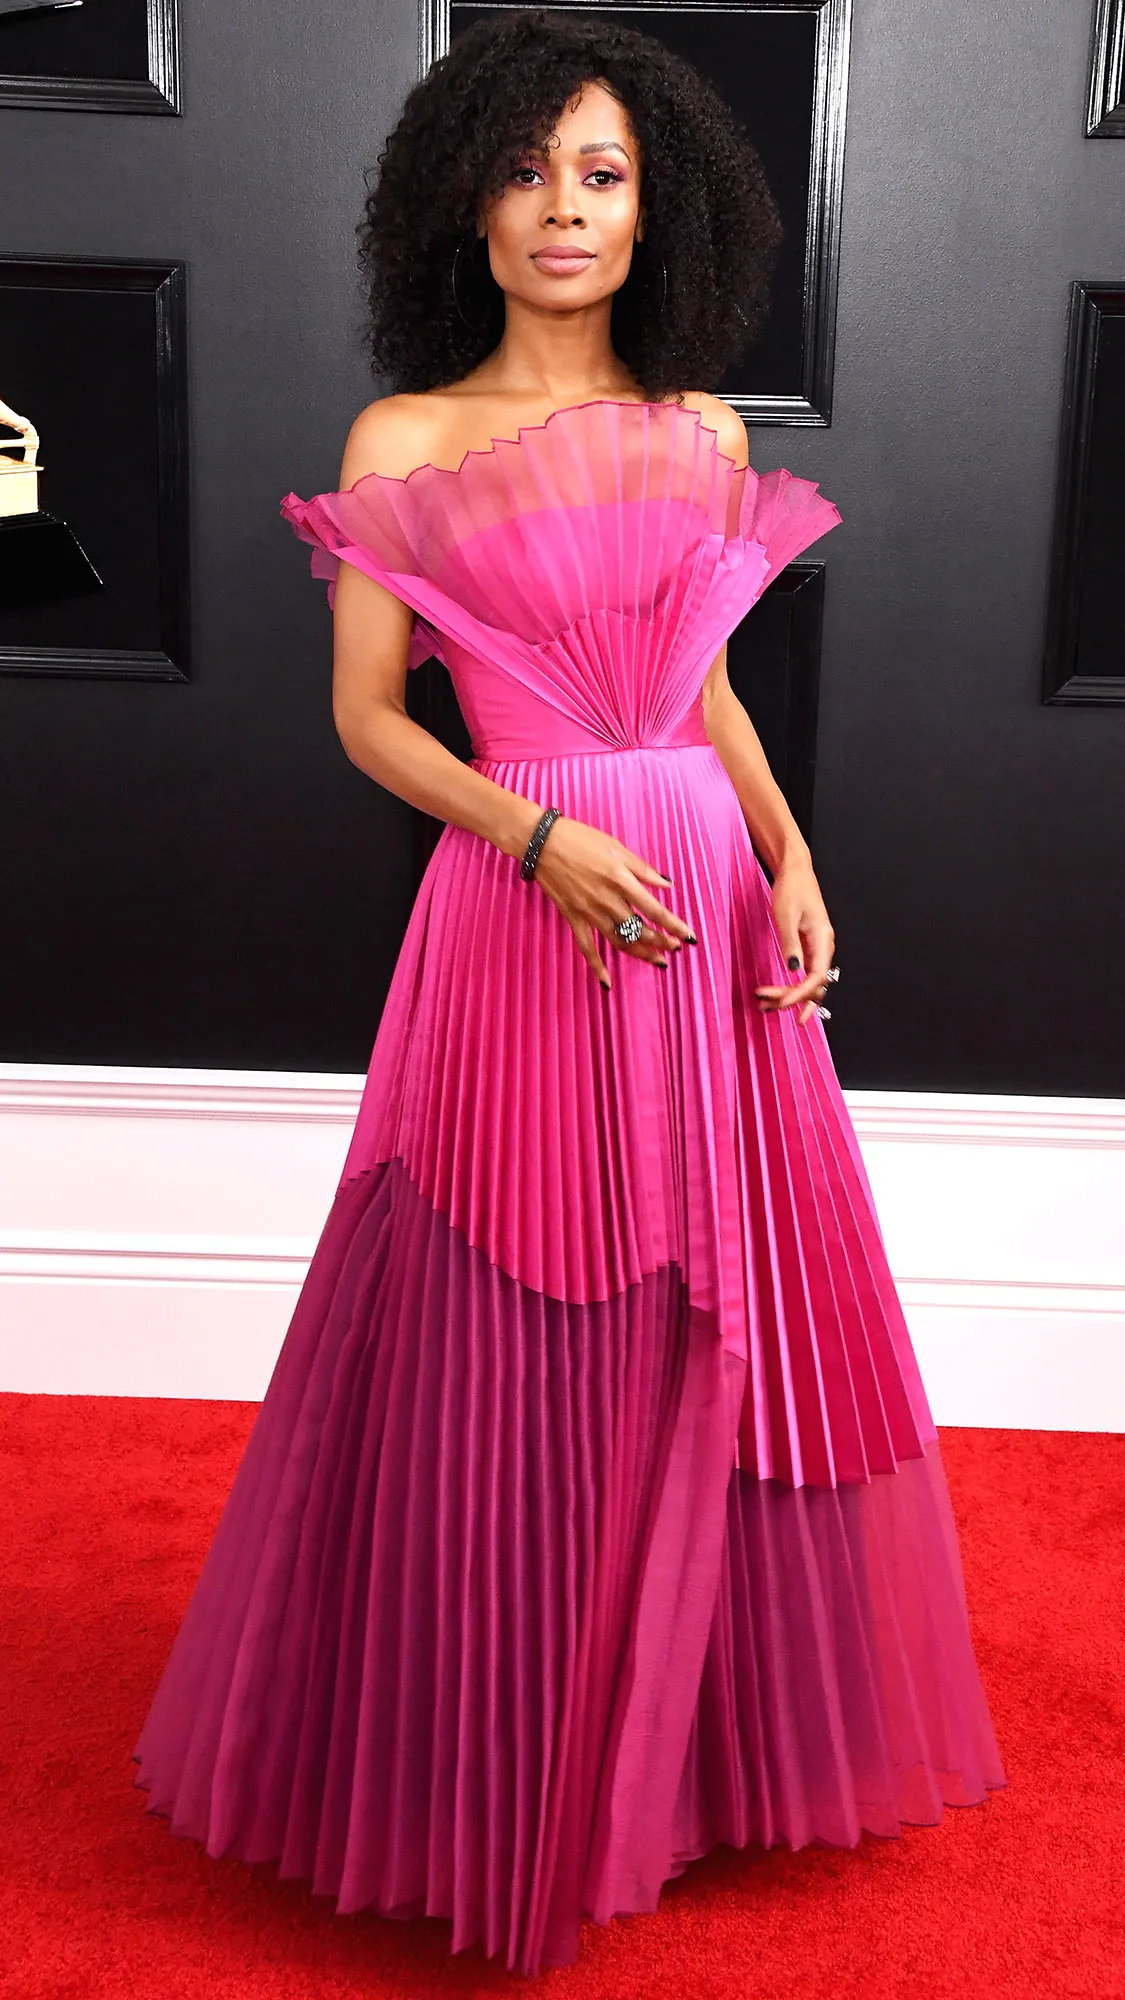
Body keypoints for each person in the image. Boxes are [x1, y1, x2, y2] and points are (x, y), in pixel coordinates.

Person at [132, 10, 1006, 1977]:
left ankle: (685, 1753)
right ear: (465, 201)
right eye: (526, 171)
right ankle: (506, 1747)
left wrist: (787, 853)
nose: (562, 208)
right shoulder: (402, 440)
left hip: (695, 894)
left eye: (601, 175)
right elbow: (371, 721)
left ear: (652, 208)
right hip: (524, 904)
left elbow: (702, 690)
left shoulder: (704, 434)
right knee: (518, 1291)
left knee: (718, 1300)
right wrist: (534, 838)